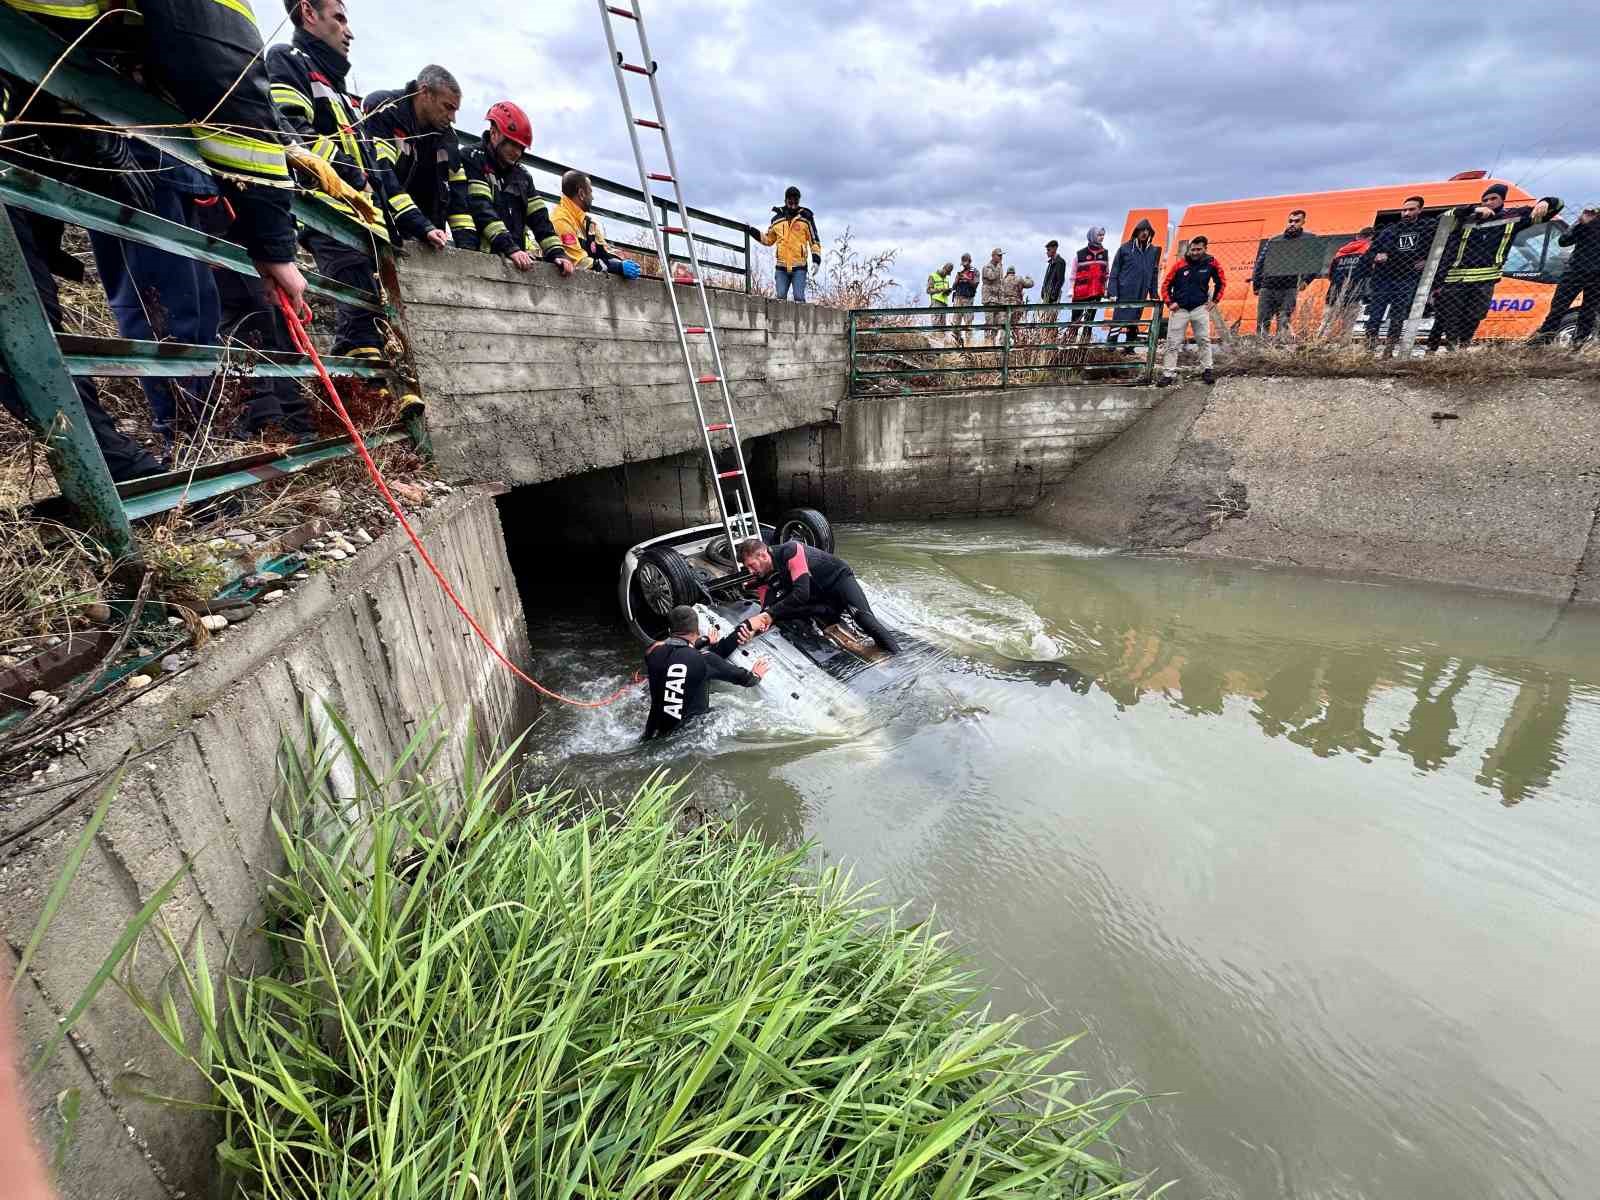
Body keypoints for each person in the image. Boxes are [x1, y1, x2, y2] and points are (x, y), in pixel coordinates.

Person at [269, 0, 418, 364]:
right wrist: (354, 179)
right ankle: (366, 398)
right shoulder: (288, 60)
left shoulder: (337, 88)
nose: (349, 31)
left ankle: (379, 398)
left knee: (372, 315)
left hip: (362, 218)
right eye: (339, 18)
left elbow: (369, 163)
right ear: (308, 13)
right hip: (329, 213)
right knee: (357, 318)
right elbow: (297, 136)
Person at [1427, 184, 1560, 353]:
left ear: (1502, 200)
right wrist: (1472, 210)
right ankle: (1452, 351)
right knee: (1451, 318)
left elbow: (1554, 208)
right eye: (1485, 200)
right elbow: (1441, 219)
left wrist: (1546, 202)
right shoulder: (1467, 218)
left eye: (1493, 199)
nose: (1488, 202)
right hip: (1455, 279)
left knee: (1474, 317)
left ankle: (1461, 348)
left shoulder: (1514, 218)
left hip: (1485, 280)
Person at [365, 66, 475, 252]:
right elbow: (382, 175)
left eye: (455, 110)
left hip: (428, 240)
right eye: (448, 107)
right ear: (424, 92)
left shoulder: (448, 139)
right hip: (381, 230)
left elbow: (458, 200)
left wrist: (469, 250)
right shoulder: (385, 109)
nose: (452, 118)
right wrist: (423, 226)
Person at [460, 101, 576, 278]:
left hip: (514, 263)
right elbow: (481, 208)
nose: (517, 153)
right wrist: (510, 248)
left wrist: (557, 253)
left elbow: (540, 219)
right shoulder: (472, 158)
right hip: (479, 260)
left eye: (521, 148)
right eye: (512, 144)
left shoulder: (522, 175)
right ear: (494, 133)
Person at [736, 537, 900, 654]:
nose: (750, 571)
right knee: (778, 613)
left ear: (763, 555)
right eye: (747, 567)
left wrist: (767, 615)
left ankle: (898, 655)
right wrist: (753, 631)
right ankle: (827, 613)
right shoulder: (762, 576)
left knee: (864, 619)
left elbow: (801, 593)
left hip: (838, 581)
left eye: (751, 565)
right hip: (820, 599)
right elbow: (767, 610)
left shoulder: (791, 550)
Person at [643, 604, 768, 740]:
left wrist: (705, 641)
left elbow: (678, 650)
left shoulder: (653, 653)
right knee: (724, 711)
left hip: (651, 733)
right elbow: (746, 679)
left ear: (669, 630)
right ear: (697, 631)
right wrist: (756, 675)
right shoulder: (705, 659)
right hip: (687, 737)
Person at [1363, 195, 1436, 355]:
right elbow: (1368, 253)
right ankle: (1368, 350)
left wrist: (1427, 260)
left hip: (1407, 278)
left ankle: (1388, 351)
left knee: (1398, 316)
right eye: (1404, 210)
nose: (1407, 213)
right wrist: (1376, 256)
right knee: (1375, 315)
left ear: (1420, 210)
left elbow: (1439, 247)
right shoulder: (1389, 231)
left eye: (1411, 209)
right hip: (1383, 279)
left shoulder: (1427, 229)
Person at [1157, 235, 1226, 387]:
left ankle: (1207, 369)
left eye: (1198, 249)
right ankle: (1168, 373)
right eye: (1193, 249)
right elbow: (1165, 285)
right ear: (1189, 249)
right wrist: (1170, 302)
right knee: (1172, 342)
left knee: (1203, 340)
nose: (1195, 252)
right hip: (1180, 309)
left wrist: (1214, 301)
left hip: (1200, 308)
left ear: (1205, 249)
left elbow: (1221, 281)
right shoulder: (1180, 264)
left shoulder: (1212, 263)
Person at [1529, 204, 1600, 349]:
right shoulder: (1588, 219)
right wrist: (1581, 223)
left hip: (1597, 276)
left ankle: (1579, 344)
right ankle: (1543, 340)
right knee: (1558, 308)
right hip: (1575, 272)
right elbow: (1564, 241)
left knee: (1589, 311)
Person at [551, 171, 642, 279]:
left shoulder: (588, 223)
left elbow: (605, 251)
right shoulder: (561, 219)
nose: (592, 197)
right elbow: (579, 262)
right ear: (581, 194)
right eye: (590, 192)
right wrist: (617, 267)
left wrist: (621, 262)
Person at [1251, 209, 1313, 338]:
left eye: (1297, 221)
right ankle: (1260, 348)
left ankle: (1280, 348)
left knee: (1284, 321)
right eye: (1290, 221)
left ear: (1303, 222)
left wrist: (1306, 280)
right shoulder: (1275, 240)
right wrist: (1256, 285)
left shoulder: (1309, 239)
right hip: (1268, 286)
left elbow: (1315, 262)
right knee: (1262, 321)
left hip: (1289, 287)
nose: (1292, 224)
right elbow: (1260, 262)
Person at [760, 186, 821, 302]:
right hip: (781, 267)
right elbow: (768, 240)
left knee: (799, 297)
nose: (793, 205)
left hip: (799, 267)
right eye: (790, 202)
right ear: (785, 201)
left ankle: (802, 320)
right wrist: (751, 230)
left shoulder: (806, 218)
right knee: (780, 298)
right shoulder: (776, 220)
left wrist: (816, 260)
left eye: (795, 202)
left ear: (798, 201)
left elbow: (814, 241)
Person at [1108, 218, 1161, 350]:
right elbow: (1114, 271)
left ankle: (1129, 348)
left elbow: (1154, 273)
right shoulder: (1125, 249)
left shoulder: (1153, 251)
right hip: (1124, 292)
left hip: (1141, 292)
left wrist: (1153, 293)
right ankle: (1110, 348)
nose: (1144, 233)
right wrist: (1112, 292)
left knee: (1134, 320)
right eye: (1142, 230)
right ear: (1136, 232)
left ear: (1150, 233)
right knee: (1118, 321)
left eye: (1147, 231)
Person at [1321, 226, 1373, 334]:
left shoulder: (1341, 251)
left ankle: (1317, 345)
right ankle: (1344, 347)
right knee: (1347, 327)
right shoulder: (1369, 250)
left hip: (1334, 292)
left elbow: (1330, 274)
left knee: (1326, 324)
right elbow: (1370, 271)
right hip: (1354, 292)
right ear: (1371, 238)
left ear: (1357, 236)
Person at [1069, 227, 1110, 345]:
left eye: (1103, 235)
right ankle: (1070, 345)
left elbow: (1107, 273)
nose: (1102, 237)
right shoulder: (1080, 254)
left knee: (1089, 321)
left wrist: (1106, 289)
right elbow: (1073, 274)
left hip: (1096, 293)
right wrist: (1071, 289)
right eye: (1099, 235)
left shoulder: (1105, 254)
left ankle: (1083, 346)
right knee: (1075, 320)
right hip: (1080, 293)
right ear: (1092, 236)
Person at [951, 253, 979, 341]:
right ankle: (956, 341)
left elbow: (975, 284)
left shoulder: (975, 271)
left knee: (968, 322)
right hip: (958, 298)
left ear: (970, 261)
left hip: (968, 299)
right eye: (963, 263)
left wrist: (967, 278)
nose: (964, 265)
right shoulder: (960, 272)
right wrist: (957, 279)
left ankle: (968, 343)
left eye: (965, 263)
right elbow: (954, 287)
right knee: (956, 322)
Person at [980, 246, 1005, 341]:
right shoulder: (987, 267)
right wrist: (999, 268)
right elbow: (992, 277)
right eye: (999, 255)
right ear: (993, 256)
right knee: (989, 322)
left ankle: (993, 341)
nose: (1001, 258)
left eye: (1001, 256)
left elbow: (1001, 281)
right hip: (989, 298)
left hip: (998, 299)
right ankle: (987, 342)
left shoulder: (999, 267)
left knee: (998, 322)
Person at [1039, 239, 1066, 329]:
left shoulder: (1060, 262)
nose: (1047, 252)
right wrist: (1043, 292)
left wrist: (1054, 295)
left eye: (1048, 250)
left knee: (1051, 321)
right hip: (1047, 296)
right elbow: (1046, 280)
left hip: (1053, 297)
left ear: (1054, 249)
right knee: (1045, 320)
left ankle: (1051, 338)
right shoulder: (1051, 263)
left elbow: (1060, 280)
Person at [926, 261, 953, 328]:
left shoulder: (946, 279)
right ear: (944, 268)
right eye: (946, 272)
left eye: (948, 273)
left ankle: (941, 338)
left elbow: (946, 291)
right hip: (936, 302)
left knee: (943, 325)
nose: (946, 274)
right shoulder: (933, 276)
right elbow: (928, 290)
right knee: (936, 323)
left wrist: (948, 292)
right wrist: (940, 290)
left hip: (944, 303)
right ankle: (936, 337)